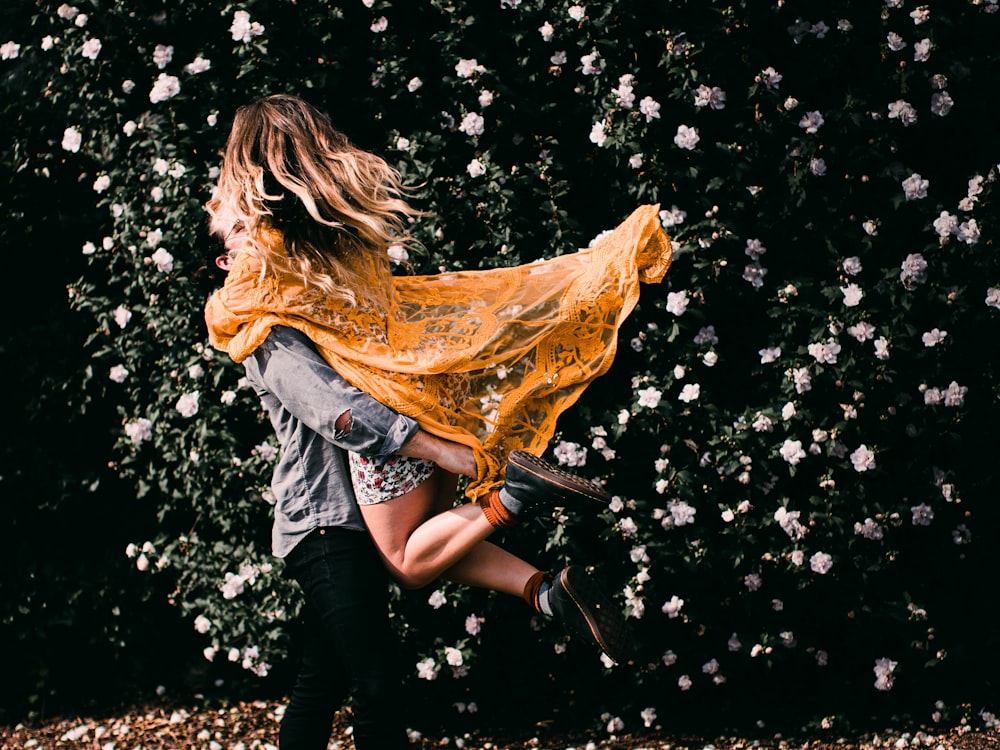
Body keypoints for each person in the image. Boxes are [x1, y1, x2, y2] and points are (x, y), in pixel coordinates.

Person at [203, 94, 672, 748]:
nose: (221, 225)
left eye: (225, 212)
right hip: (357, 499)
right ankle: (546, 589)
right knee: (327, 674)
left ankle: (515, 503)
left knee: (377, 654)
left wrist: (440, 449)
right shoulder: (314, 287)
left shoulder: (270, 303)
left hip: (333, 515)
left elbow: (339, 414)